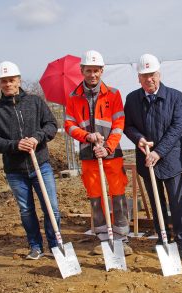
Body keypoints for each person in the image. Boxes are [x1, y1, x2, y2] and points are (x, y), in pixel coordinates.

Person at [0, 61, 61, 260]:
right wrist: (15, 145)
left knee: (51, 207)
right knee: (27, 210)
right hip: (15, 170)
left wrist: (37, 137)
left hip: (41, 165)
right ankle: (35, 246)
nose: (8, 84)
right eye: (4, 81)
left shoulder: (35, 102)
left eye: (11, 80)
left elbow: (52, 125)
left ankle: (56, 245)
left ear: (19, 80)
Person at [124, 54, 182, 259]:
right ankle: (163, 236)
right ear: (138, 78)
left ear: (159, 74)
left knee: (177, 201)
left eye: (152, 74)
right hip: (146, 159)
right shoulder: (133, 99)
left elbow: (177, 126)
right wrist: (139, 139)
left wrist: (158, 152)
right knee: (156, 201)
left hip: (171, 159)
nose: (148, 79)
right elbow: (128, 125)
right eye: (144, 76)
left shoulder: (174, 96)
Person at [64, 50, 131, 256]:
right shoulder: (74, 97)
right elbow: (69, 124)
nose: (92, 74)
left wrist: (108, 147)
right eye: (88, 70)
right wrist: (87, 137)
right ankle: (103, 238)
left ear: (102, 70)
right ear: (82, 71)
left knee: (117, 194)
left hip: (111, 154)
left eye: (96, 70)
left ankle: (121, 237)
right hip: (88, 154)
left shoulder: (113, 94)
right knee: (95, 196)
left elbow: (119, 123)